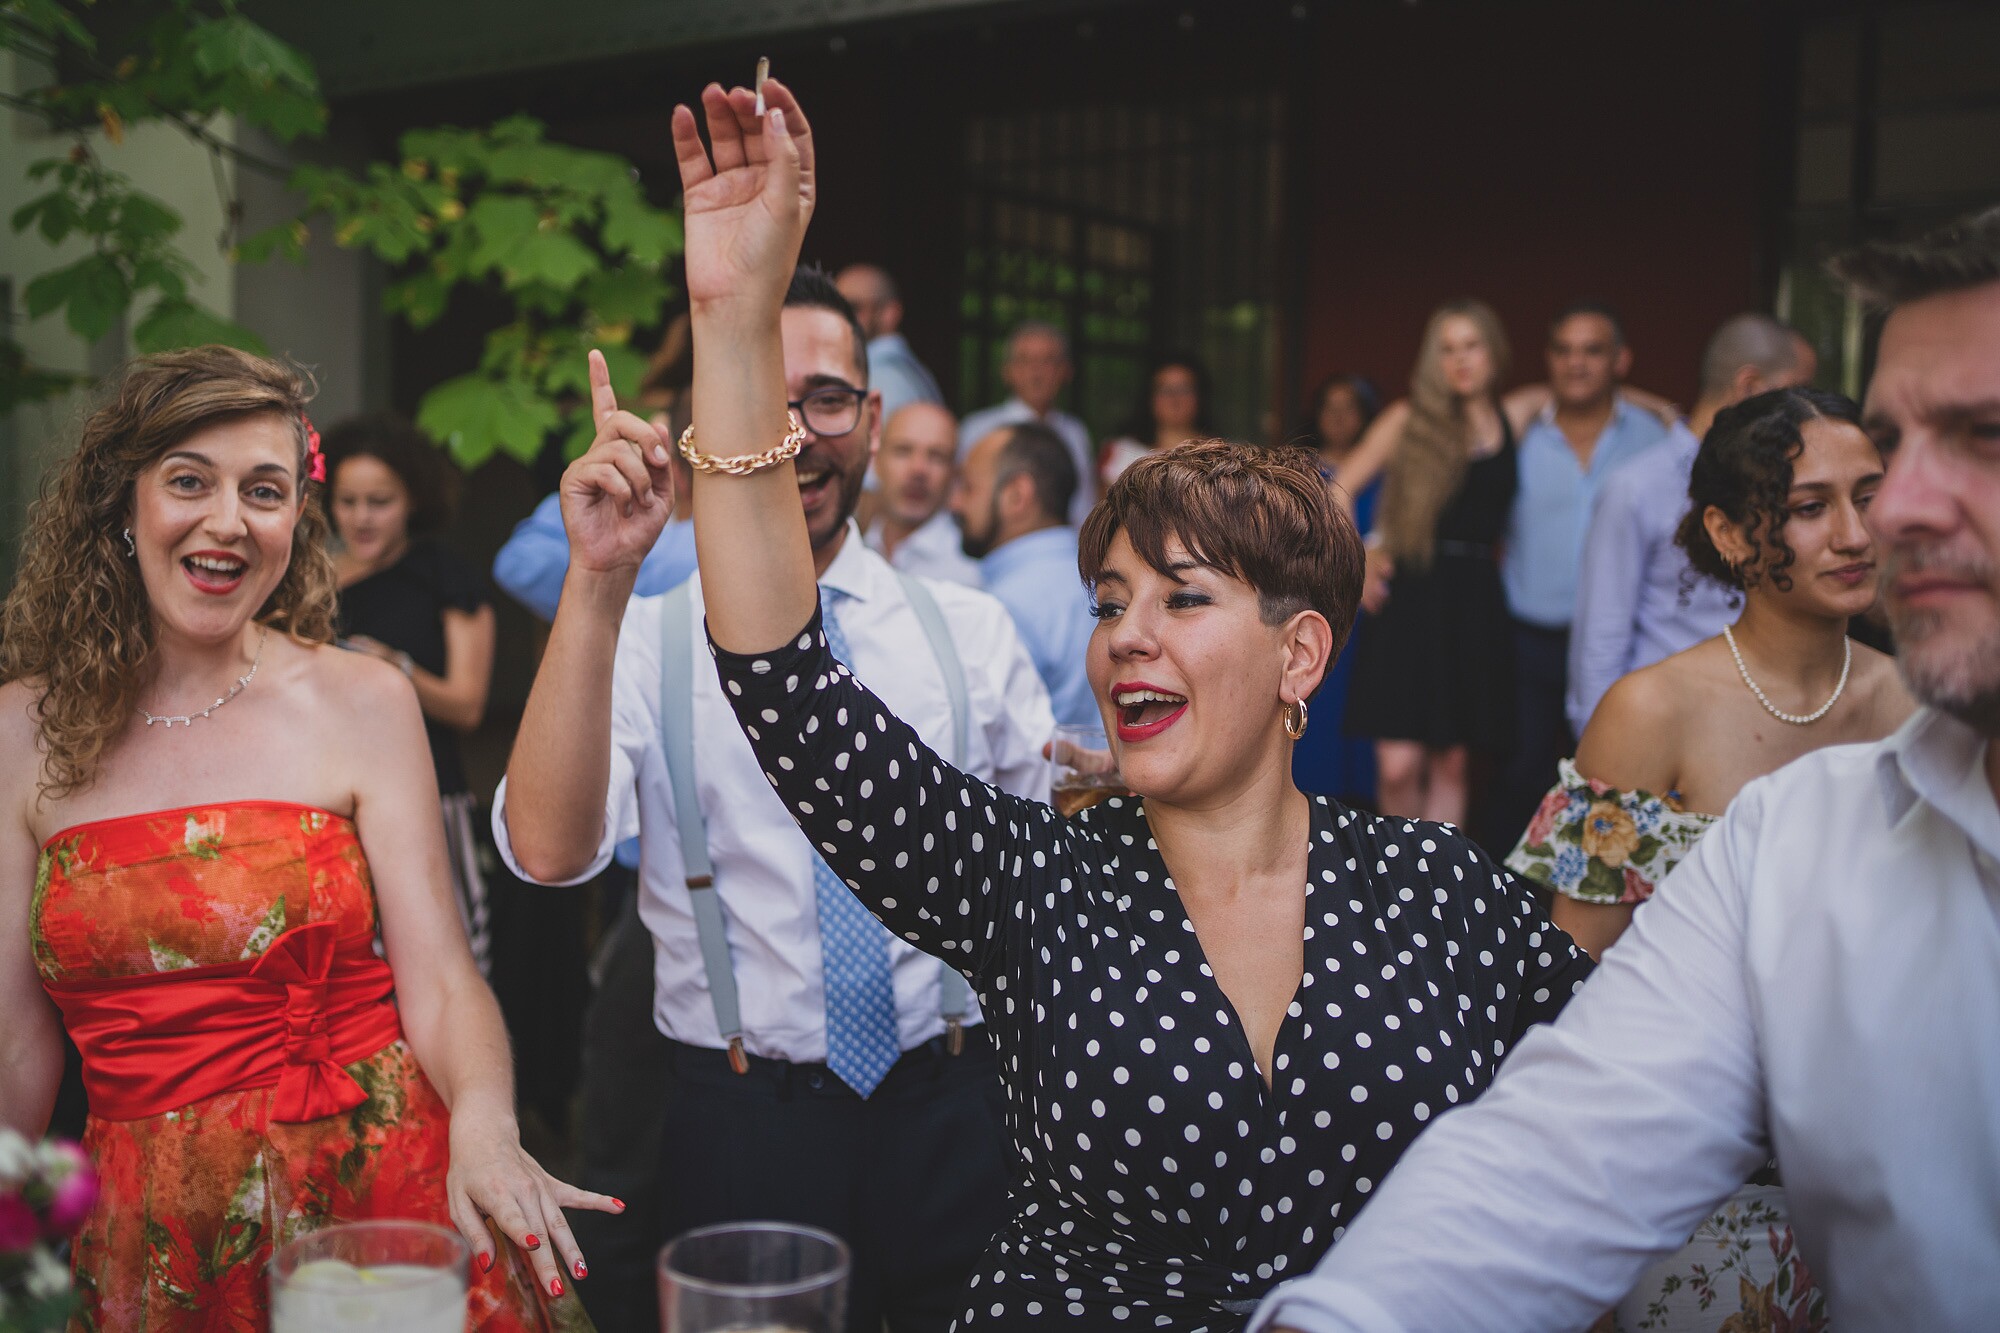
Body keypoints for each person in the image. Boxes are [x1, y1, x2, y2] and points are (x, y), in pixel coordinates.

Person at [645, 76, 1591, 1329]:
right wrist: (731, 318)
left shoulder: (1437, 890)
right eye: (1106, 602)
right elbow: (786, 684)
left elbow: (1626, 1115)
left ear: (1299, 653)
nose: (1124, 637)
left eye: (1180, 600)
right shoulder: (1030, 882)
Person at [1249, 205, 2000, 1333]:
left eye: (1982, 434)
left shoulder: (1886, 711)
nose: (1886, 515)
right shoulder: (1793, 836)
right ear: (1739, 536)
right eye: (1849, 481)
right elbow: (1559, 1151)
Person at [0, 346, 617, 1331]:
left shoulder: (362, 699)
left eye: (265, 489)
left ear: (297, 518)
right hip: (155, 1233)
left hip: (385, 1202)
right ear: (123, 504)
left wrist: (487, 1129)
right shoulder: (19, 732)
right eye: (189, 482)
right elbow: (16, 1047)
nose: (227, 521)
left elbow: (444, 979)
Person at [496, 260, 1054, 1333]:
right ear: (695, 424)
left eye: (826, 398)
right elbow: (546, 852)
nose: (792, 432)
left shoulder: (969, 632)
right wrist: (598, 580)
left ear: (874, 418)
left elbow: (1039, 890)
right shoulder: (647, 638)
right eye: (758, 399)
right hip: (741, 1120)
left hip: (955, 1105)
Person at [1506, 386, 1912, 1330]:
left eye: (1870, 495)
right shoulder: (1653, 712)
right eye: (1810, 507)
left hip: (1892, 1175)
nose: (1855, 533)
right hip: (1704, 1195)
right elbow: (1572, 983)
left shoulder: (1922, 710)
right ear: (1729, 534)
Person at [1566, 314, 1815, 736]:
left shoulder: (1789, 486)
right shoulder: (1637, 486)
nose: (1805, 416)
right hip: (1662, 728)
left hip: (1762, 728)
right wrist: (1601, 754)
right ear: (1750, 386)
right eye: (1794, 395)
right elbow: (1600, 638)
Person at [1333, 302, 1520, 829]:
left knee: (1454, 761)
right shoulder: (1407, 418)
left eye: (1471, 346)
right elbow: (1335, 491)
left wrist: (1668, 413)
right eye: (1448, 348)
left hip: (1473, 598)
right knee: (1396, 765)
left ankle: (1440, 894)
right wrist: (1362, 561)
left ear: (1493, 353)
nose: (1460, 360)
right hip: (1410, 595)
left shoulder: (1516, 415)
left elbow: (1587, 400)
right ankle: (1400, 885)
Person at [326, 413, 498, 973]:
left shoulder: (445, 576)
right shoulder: (307, 579)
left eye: (380, 501)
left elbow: (468, 705)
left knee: (444, 962)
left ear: (413, 502)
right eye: (348, 501)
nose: (361, 518)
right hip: (329, 800)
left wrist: (395, 667)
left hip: (427, 795)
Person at [1493, 302, 1670, 847]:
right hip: (1526, 639)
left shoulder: (1657, 437)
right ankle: (1506, 914)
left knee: (1609, 776)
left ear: (1621, 360)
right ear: (1547, 360)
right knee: (1519, 774)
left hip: (1619, 645)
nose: (1577, 363)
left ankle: (1587, 915)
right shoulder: (1516, 433)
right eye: (1564, 350)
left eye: (1593, 350)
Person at [952, 420, 1096, 726]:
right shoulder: (1101, 577)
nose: (955, 504)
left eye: (968, 487)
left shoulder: (1006, 606)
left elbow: (988, 739)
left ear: (1017, 496)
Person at [1290, 375, 1382, 806]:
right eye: (1331, 405)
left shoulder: (1383, 473)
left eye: (1351, 407)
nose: (1339, 417)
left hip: (1371, 614)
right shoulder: (1301, 471)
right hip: (1314, 602)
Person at [959, 321, 1096, 525]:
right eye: (1025, 360)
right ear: (1006, 371)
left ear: (1066, 371)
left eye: (1048, 361)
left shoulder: (1075, 432)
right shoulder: (979, 429)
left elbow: (1084, 506)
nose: (1036, 371)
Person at [865, 400, 983, 587]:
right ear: (876, 460)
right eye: (903, 451)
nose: (918, 469)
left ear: (954, 473)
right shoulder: (850, 549)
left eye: (937, 456)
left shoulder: (971, 571)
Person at [836, 262, 944, 426]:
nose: (840, 316)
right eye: (834, 306)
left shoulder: (879, 377)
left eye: (852, 306)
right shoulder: (913, 372)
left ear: (889, 313)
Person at [1096, 354, 1215, 488]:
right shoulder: (1120, 453)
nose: (1175, 399)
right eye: (1165, 390)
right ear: (1149, 398)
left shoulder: (1220, 455)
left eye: (1185, 389)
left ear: (1200, 396)